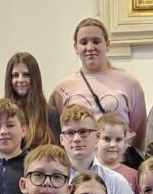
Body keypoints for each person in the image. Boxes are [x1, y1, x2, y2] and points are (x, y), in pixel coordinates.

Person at [50, 18, 147, 151]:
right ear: (75, 47)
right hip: (78, 161)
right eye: (83, 42)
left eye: (96, 41)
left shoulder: (130, 84)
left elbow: (139, 134)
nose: (90, 47)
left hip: (119, 159)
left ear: (107, 45)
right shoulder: (62, 89)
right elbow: (56, 135)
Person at [59, 106, 138, 194]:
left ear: (97, 136)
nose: (76, 138)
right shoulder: (50, 181)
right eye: (70, 133)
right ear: (62, 139)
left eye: (83, 132)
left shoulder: (117, 182)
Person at [4, 52, 60, 149]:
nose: (20, 80)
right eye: (15, 75)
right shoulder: (2, 114)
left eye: (26, 75)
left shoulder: (50, 114)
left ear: (35, 78)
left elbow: (55, 152)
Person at [94, 112, 140, 194]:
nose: (113, 145)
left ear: (125, 143)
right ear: (96, 140)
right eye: (107, 139)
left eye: (118, 140)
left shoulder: (134, 175)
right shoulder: (89, 172)